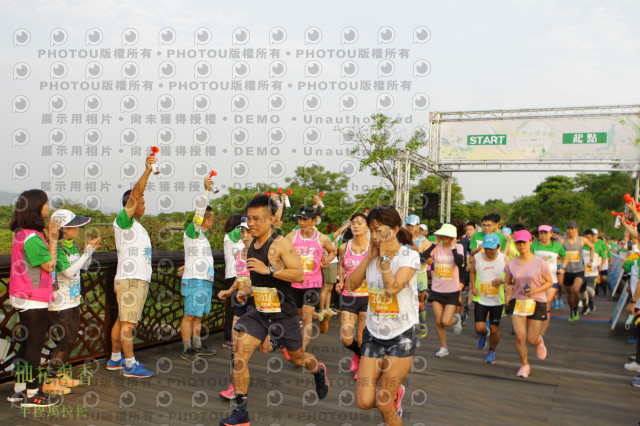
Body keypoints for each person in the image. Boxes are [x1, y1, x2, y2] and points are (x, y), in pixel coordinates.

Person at [221, 194, 329, 426]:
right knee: (240, 353)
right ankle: (241, 412)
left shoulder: (281, 244)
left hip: (283, 313)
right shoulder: (251, 246)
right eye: (249, 219)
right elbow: (258, 280)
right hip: (259, 311)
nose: (252, 224)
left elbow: (298, 274)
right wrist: (246, 291)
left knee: (300, 359)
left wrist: (269, 269)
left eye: (257, 219)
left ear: (271, 219)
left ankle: (318, 370)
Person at [345, 206, 420, 425]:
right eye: (372, 231)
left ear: (395, 229)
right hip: (374, 333)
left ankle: (393, 399)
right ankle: (397, 395)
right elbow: (350, 285)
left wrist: (385, 262)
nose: (374, 236)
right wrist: (369, 258)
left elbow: (392, 289)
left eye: (379, 231)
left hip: (402, 333)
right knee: (365, 402)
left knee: (384, 402)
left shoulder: (410, 256)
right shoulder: (372, 255)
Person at [7, 190, 61, 407]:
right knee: (35, 346)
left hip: (23, 294)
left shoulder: (22, 233)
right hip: (33, 296)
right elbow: (49, 265)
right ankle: (32, 393)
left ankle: (19, 389)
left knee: (27, 343)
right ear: (36, 208)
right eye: (46, 203)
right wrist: (54, 241)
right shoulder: (31, 237)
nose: (48, 207)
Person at [107, 154, 155, 378]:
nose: (144, 205)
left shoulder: (136, 226)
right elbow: (136, 194)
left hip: (133, 279)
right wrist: (147, 171)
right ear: (131, 204)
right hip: (131, 280)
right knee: (128, 324)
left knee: (122, 320)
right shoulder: (123, 221)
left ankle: (116, 359)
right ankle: (130, 364)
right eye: (142, 203)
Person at [47, 209, 100, 394]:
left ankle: (60, 375)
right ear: (64, 229)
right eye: (75, 227)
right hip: (60, 303)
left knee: (70, 340)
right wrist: (86, 254)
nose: (79, 230)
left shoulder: (72, 245)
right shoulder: (57, 248)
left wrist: (88, 251)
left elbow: (83, 267)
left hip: (73, 300)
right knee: (65, 340)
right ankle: (50, 379)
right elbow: (68, 273)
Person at [285, 206, 336, 352]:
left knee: (306, 317)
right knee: (301, 315)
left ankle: (301, 350)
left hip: (313, 282)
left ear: (314, 221)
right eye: (300, 219)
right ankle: (321, 317)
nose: (302, 222)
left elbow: (333, 251)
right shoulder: (291, 236)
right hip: (295, 282)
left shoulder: (322, 238)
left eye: (305, 219)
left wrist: (328, 259)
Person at [504, 230, 553, 378]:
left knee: (531, 338)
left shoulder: (540, 263)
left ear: (530, 242)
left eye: (524, 242)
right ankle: (525, 364)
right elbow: (507, 283)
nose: (521, 245)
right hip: (518, 301)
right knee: (520, 336)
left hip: (537, 301)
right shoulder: (511, 264)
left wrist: (537, 289)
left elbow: (550, 282)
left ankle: (538, 343)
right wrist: (507, 290)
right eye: (518, 243)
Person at [179, 177, 217, 362]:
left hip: (204, 279)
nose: (211, 222)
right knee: (189, 315)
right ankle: (187, 348)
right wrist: (207, 191)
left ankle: (197, 345)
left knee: (198, 315)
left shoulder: (202, 237)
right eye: (210, 219)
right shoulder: (192, 231)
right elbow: (199, 210)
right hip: (194, 279)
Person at [218, 219, 253, 400]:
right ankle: (235, 386)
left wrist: (249, 291)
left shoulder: (261, 254)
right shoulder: (239, 253)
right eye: (242, 232)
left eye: (248, 232)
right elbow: (239, 277)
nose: (245, 236)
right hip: (240, 301)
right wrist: (230, 290)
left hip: (257, 304)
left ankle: (282, 344)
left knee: (264, 347)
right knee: (236, 345)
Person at [420, 223, 465, 357]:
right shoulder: (436, 247)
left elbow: (459, 263)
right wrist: (435, 244)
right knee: (439, 321)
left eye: (448, 236)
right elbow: (422, 258)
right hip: (437, 289)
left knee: (446, 321)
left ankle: (456, 319)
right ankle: (443, 347)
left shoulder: (458, 247)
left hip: (452, 290)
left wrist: (452, 247)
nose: (444, 238)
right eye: (443, 235)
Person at [335, 213, 369, 380]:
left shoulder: (373, 248)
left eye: (360, 223)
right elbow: (341, 266)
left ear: (368, 227)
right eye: (353, 223)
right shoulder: (344, 247)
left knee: (361, 338)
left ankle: (362, 363)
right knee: (347, 339)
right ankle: (358, 354)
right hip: (349, 296)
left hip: (367, 297)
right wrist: (340, 281)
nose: (355, 226)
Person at [470, 234, 507, 364]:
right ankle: (483, 334)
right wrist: (473, 286)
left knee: (494, 329)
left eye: (491, 248)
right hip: (481, 298)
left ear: (498, 247)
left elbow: (511, 276)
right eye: (486, 248)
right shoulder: (477, 257)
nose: (488, 251)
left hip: (497, 300)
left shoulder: (504, 259)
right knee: (479, 328)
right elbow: (472, 272)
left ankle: (492, 350)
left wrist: (502, 281)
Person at [531, 224, 566, 336]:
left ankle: (541, 334)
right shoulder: (533, 246)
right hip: (536, 282)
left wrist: (563, 268)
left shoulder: (557, 246)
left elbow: (565, 257)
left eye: (546, 233)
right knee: (536, 307)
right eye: (541, 233)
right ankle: (535, 330)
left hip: (551, 281)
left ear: (551, 234)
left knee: (546, 306)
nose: (543, 235)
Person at [561, 221, 594, 322]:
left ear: (576, 230)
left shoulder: (582, 240)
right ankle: (573, 310)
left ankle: (576, 307)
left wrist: (591, 260)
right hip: (567, 271)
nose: (570, 231)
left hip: (579, 270)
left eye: (572, 229)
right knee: (570, 294)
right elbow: (558, 252)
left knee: (576, 290)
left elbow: (592, 247)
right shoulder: (562, 241)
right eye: (568, 229)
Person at [319, 221, 350, 327]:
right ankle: (322, 309)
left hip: (333, 263)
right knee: (325, 287)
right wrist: (348, 223)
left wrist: (336, 243)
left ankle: (327, 308)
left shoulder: (333, 240)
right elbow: (340, 231)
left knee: (330, 287)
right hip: (327, 264)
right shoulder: (328, 237)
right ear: (332, 231)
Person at [406, 214, 431, 338]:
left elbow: (430, 261)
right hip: (405, 274)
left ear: (417, 225)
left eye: (412, 225)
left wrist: (418, 252)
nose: (410, 228)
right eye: (408, 225)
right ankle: (407, 327)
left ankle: (422, 325)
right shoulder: (401, 238)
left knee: (420, 303)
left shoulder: (424, 241)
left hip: (419, 275)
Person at [222, 215, 245, 348]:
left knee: (239, 308)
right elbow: (240, 231)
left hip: (240, 276)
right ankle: (228, 338)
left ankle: (237, 336)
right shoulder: (230, 236)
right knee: (232, 310)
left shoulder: (240, 238)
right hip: (232, 276)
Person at [580, 229, 605, 315]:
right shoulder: (581, 247)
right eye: (585, 237)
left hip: (593, 272)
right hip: (582, 272)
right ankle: (585, 305)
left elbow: (604, 257)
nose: (587, 239)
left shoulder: (597, 247)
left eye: (589, 237)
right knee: (581, 292)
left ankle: (590, 300)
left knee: (590, 290)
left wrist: (600, 265)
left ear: (592, 237)